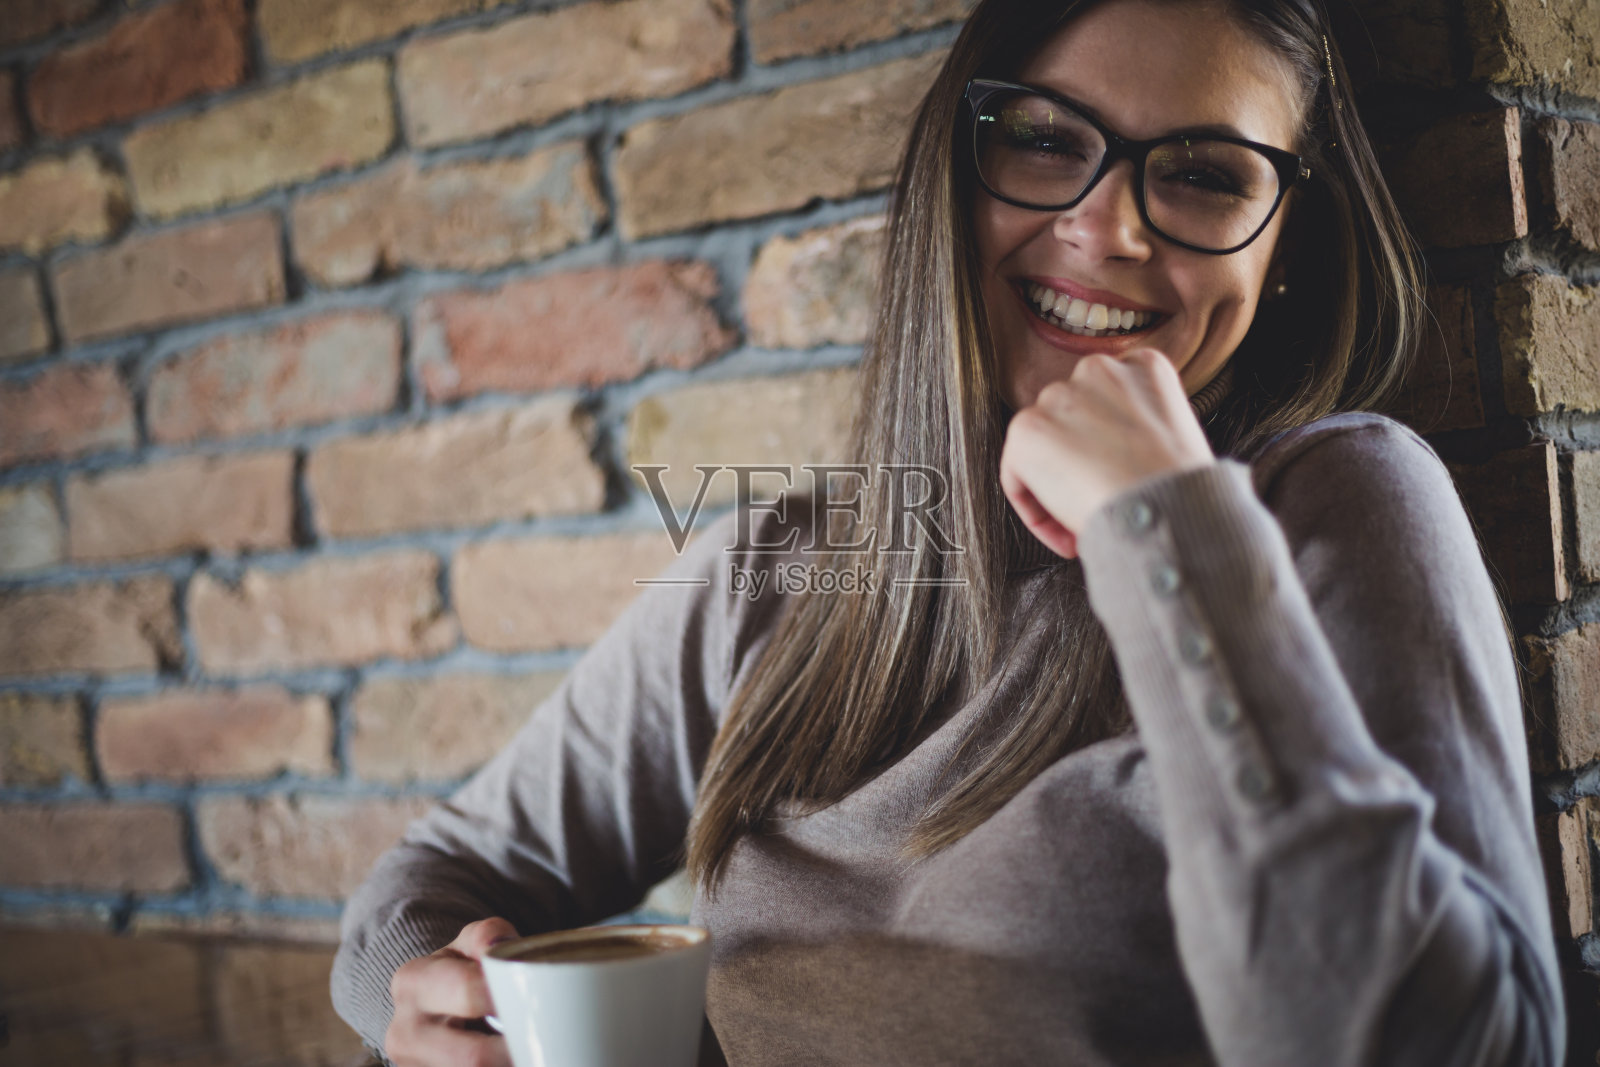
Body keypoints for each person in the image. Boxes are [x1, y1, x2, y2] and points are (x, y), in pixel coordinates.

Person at [331, 0, 1568, 1062]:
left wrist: (1161, 529)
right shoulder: (776, 568)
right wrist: (434, 1004)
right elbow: (428, 878)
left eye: (1202, 173)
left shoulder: (1337, 501)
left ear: (1285, 243)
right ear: (952, 175)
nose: (1113, 228)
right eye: (1041, 141)